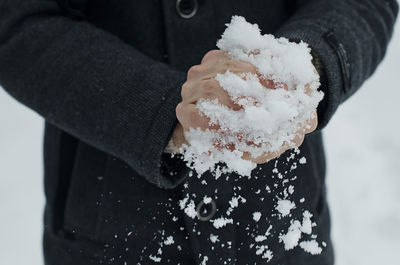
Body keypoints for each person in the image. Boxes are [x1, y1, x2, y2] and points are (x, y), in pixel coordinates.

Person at [0, 0, 397, 264]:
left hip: (282, 230)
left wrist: (301, 67)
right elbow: (16, 17)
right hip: (105, 233)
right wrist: (163, 112)